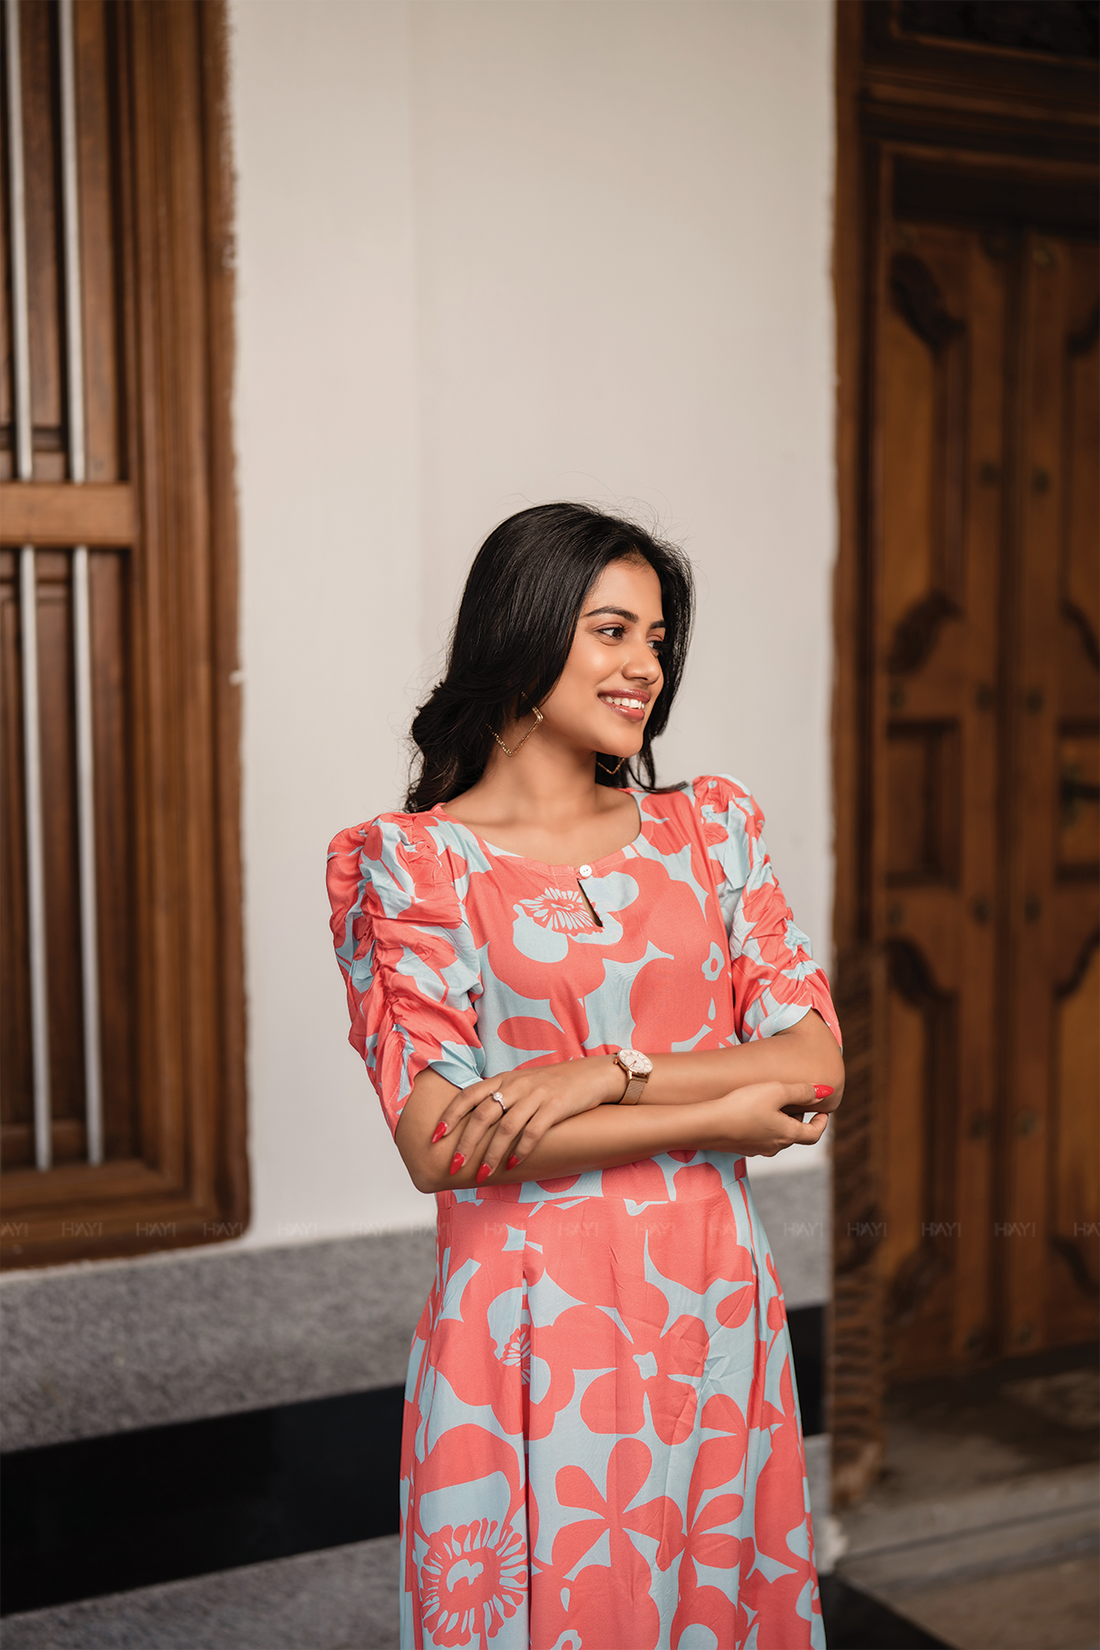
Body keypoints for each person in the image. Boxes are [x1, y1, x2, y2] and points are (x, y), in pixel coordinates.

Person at [327, 502, 843, 1650]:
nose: (643, 667)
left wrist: (605, 1077)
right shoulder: (407, 866)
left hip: (711, 1311)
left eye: (657, 638)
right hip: (524, 1326)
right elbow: (439, 1143)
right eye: (612, 630)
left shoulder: (711, 831)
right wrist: (713, 1110)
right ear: (524, 630)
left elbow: (809, 1066)